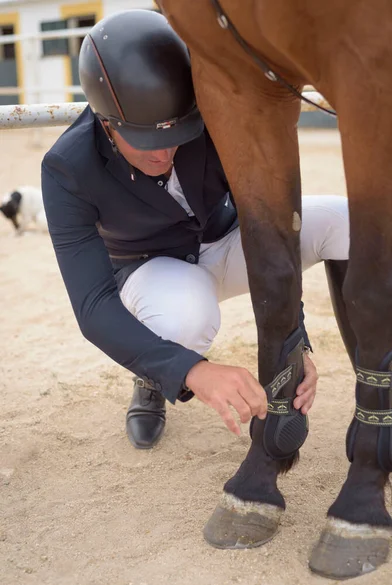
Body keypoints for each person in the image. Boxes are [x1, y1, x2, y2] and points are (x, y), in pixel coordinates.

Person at [41, 9, 349, 450]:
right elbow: (92, 304)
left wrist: (296, 342)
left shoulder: (209, 113)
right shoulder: (65, 168)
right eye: (146, 138)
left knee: (347, 221)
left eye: (176, 132)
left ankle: (378, 389)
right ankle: (152, 376)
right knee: (188, 321)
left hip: (230, 238)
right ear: (106, 121)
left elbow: (269, 217)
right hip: (154, 270)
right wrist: (192, 370)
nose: (164, 151)